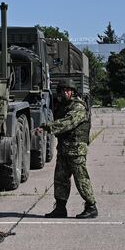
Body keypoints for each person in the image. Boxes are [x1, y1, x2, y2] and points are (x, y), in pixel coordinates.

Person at [40, 79, 97, 219]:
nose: (66, 92)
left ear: (73, 91)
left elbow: (68, 123)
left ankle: (91, 207)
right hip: (64, 149)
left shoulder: (78, 107)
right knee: (60, 179)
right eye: (63, 90)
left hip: (76, 150)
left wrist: (48, 127)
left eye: (68, 90)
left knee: (81, 179)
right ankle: (60, 208)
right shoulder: (62, 106)